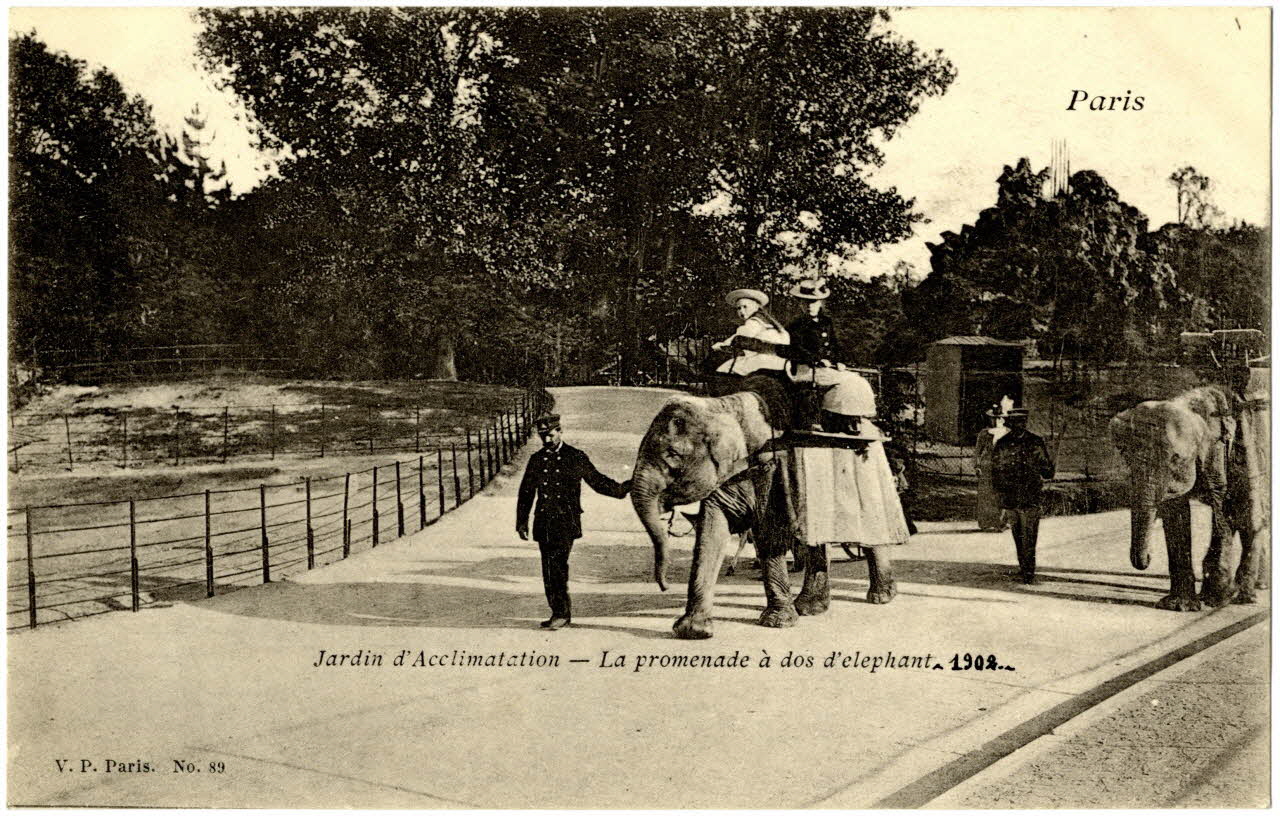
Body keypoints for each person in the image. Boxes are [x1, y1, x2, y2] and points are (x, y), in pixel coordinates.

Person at [516, 413, 630, 629]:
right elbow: (526, 492)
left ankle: (561, 613)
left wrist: (622, 489)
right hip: (543, 522)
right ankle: (559, 611)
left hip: (565, 522)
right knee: (548, 569)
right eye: (543, 437)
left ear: (560, 431)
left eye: (550, 435)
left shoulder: (575, 456)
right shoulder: (537, 460)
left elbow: (597, 481)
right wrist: (521, 522)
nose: (547, 440)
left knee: (556, 566)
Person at [783, 277, 877, 433]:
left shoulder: (826, 322)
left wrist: (839, 361)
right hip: (806, 369)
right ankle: (829, 419)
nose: (809, 306)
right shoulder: (796, 326)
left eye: (813, 302)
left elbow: (834, 346)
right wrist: (816, 360)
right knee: (848, 382)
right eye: (805, 302)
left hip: (826, 369)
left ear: (820, 303)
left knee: (856, 381)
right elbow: (794, 349)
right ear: (800, 304)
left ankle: (849, 418)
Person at [990, 407, 1054, 584]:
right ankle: (1026, 568)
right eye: (1016, 422)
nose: (1019, 425)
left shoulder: (1030, 442)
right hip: (1017, 496)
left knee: (1026, 534)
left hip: (1027, 496)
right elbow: (996, 472)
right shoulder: (1029, 442)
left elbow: (1046, 471)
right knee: (1021, 534)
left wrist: (1048, 469)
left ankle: (1027, 570)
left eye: (1020, 422)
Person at [712, 289, 790, 376]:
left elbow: (739, 337)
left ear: (756, 306)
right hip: (780, 360)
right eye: (739, 308)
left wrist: (720, 345)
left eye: (745, 307)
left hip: (764, 360)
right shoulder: (768, 321)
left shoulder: (753, 322)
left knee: (724, 369)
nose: (742, 311)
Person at [973, 400, 1012, 531]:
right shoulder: (984, 433)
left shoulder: (1008, 433)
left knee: (1002, 493)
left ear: (1003, 418)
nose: (995, 421)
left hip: (1003, 466)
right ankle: (986, 522)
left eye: (998, 418)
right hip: (987, 466)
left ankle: (1000, 522)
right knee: (986, 494)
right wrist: (977, 466)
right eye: (992, 418)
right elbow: (977, 451)